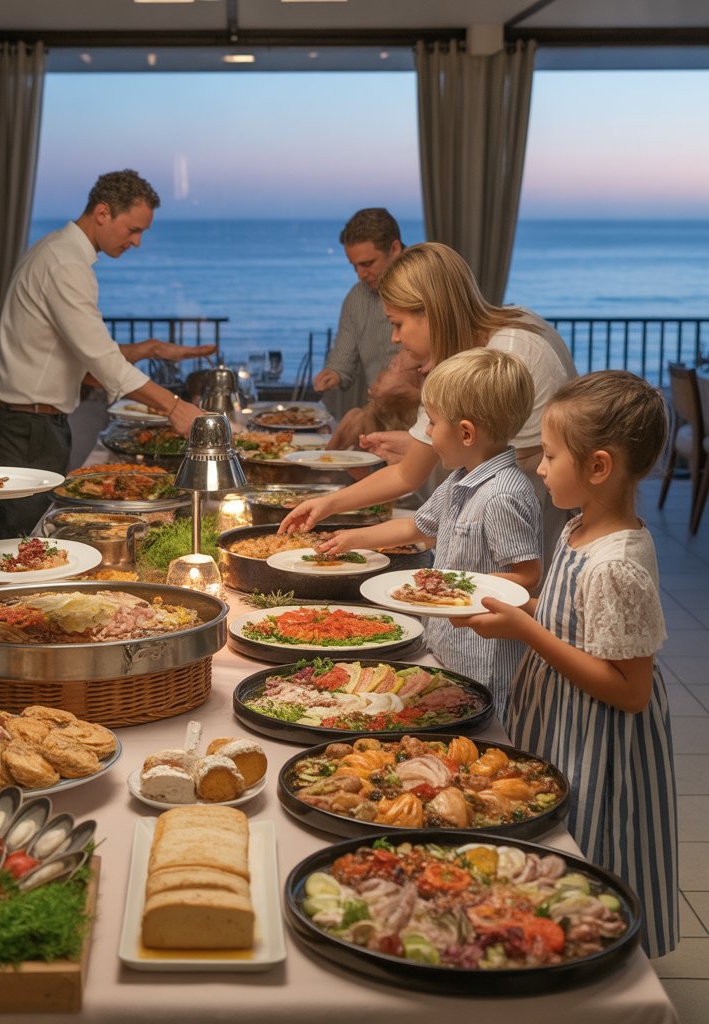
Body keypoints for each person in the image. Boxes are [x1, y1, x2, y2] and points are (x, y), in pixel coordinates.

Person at [452, 371, 679, 957]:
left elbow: (630, 690)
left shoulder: (616, 564)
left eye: (550, 456)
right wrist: (519, 605)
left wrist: (525, 627)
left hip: (598, 740)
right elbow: (567, 618)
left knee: (590, 844)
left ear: (598, 466)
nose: (540, 467)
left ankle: (594, 953)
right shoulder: (578, 528)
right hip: (560, 717)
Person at [282, 242, 577, 570]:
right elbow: (415, 469)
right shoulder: (457, 362)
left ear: (431, 312)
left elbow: (504, 464)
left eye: (397, 323)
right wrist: (327, 505)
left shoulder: (509, 356)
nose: (394, 338)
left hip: (525, 541)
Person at [0, 169, 210, 539]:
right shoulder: (66, 263)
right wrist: (174, 407)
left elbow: (82, 356)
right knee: (23, 543)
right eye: (133, 230)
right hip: (24, 429)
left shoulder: (57, 250)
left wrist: (148, 349)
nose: (136, 242)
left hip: (27, 424)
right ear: (102, 213)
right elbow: (102, 360)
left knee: (31, 538)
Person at [317, 349, 541, 722]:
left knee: (478, 729)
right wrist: (352, 539)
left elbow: (528, 575)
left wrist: (456, 588)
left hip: (483, 659)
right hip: (445, 645)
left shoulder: (502, 494)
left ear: (466, 433)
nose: (427, 434)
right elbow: (416, 528)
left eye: (432, 423)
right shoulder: (458, 480)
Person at [310, 208, 422, 449]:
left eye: (367, 264)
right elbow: (342, 361)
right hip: (377, 426)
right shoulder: (356, 299)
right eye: (354, 266)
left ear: (394, 249)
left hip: (428, 427)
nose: (361, 274)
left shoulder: (427, 285)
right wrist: (333, 373)